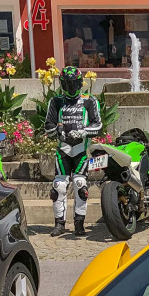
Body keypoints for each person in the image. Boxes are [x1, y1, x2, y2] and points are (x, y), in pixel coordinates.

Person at [44, 65, 102, 237]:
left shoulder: (89, 101)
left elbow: (98, 125)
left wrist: (84, 131)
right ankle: (59, 223)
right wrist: (58, 131)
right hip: (63, 149)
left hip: (81, 149)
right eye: (67, 84)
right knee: (59, 186)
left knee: (80, 185)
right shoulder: (56, 101)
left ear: (79, 83)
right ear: (62, 84)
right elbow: (47, 125)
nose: (70, 87)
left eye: (73, 83)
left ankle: (79, 223)